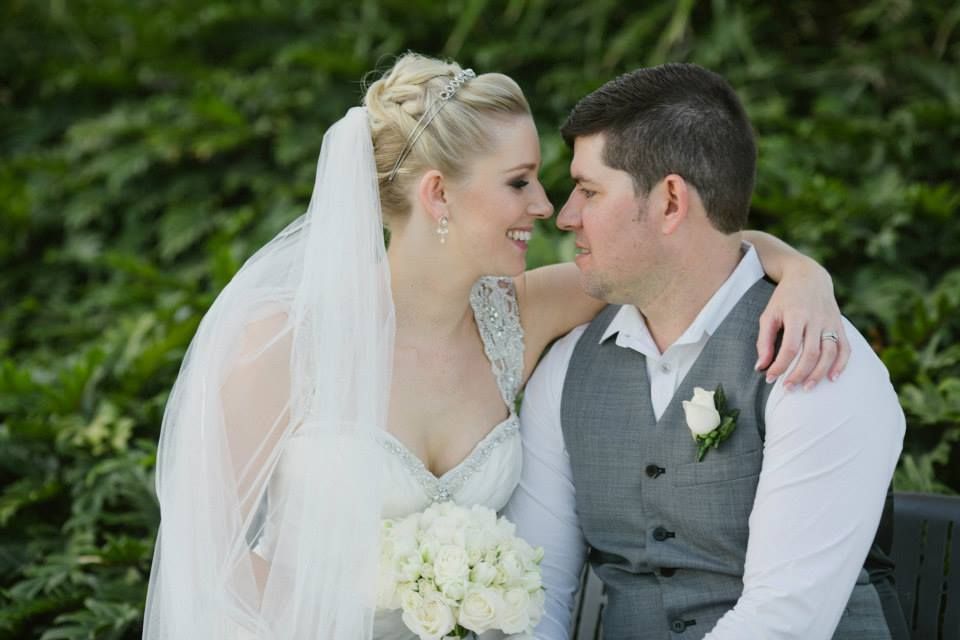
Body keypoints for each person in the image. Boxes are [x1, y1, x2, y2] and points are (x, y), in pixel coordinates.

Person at [142, 54, 850, 640]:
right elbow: (211, 561)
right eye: (519, 182)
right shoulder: (282, 345)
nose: (547, 206)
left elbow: (681, 249)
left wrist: (799, 271)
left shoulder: (523, 314)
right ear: (437, 196)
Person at [503, 63, 907, 640]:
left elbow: (784, 621)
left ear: (671, 201)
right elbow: (534, 593)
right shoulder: (568, 369)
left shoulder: (818, 361)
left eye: (589, 190)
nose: (566, 216)